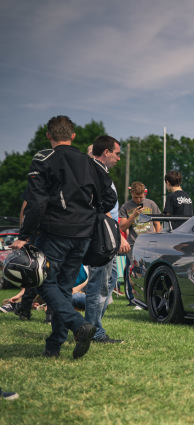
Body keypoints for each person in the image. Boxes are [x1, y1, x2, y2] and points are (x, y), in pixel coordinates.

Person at [11, 115, 117, 359]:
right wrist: (90, 213)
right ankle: (53, 347)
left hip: (55, 233)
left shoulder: (43, 159)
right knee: (64, 288)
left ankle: (78, 326)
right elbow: (109, 198)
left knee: (42, 282)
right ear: (73, 136)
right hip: (83, 235)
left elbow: (35, 204)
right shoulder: (90, 162)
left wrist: (24, 236)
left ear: (48, 136)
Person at [83, 135, 130, 344]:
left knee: (110, 279)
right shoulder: (95, 173)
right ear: (107, 152)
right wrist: (118, 237)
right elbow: (104, 212)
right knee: (98, 284)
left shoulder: (102, 173)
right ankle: (93, 331)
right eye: (117, 154)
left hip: (105, 236)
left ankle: (92, 327)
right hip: (101, 238)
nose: (119, 158)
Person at [119, 182, 161, 306]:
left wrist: (157, 237)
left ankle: (148, 297)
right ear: (131, 193)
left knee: (149, 270)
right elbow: (123, 226)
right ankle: (133, 299)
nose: (138, 200)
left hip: (150, 243)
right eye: (136, 197)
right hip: (134, 244)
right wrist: (133, 216)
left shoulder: (151, 204)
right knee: (133, 272)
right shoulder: (126, 206)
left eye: (141, 197)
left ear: (144, 194)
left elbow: (158, 223)